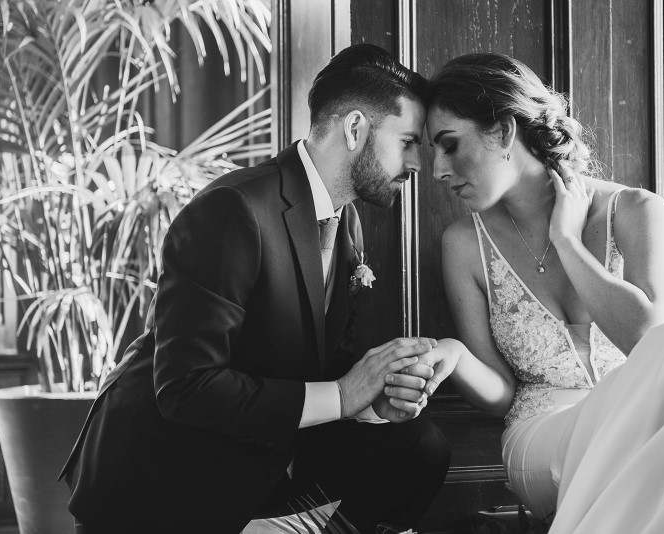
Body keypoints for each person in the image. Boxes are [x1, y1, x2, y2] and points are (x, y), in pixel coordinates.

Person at [59, 44, 452, 534]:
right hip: (162, 468)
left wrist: (373, 404)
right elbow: (185, 388)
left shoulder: (345, 221)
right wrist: (344, 394)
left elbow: (319, 367)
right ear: (355, 129)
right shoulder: (234, 209)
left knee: (420, 447)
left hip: (258, 446)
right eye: (409, 141)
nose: (420, 163)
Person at [409, 53, 664, 533]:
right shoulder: (464, 245)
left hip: (652, 423)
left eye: (449, 145)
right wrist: (452, 353)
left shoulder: (638, 212)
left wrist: (568, 242)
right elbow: (500, 396)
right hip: (541, 437)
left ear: (504, 131)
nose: (436, 169)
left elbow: (650, 340)